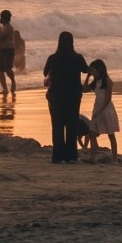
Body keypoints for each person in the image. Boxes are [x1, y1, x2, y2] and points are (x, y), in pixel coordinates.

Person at [43, 31, 89, 163]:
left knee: (57, 125)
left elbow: (45, 72)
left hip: (56, 95)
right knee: (71, 125)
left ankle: (58, 156)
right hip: (73, 95)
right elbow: (86, 70)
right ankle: (71, 156)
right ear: (72, 43)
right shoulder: (78, 58)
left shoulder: (53, 58)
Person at [84, 59, 120, 162]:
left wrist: (100, 111)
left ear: (99, 70)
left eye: (93, 71)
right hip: (97, 107)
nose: (92, 73)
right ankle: (92, 157)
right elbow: (84, 89)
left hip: (106, 109)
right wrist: (87, 77)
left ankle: (114, 158)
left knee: (111, 134)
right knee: (92, 132)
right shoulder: (95, 82)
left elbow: (108, 99)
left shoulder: (107, 82)